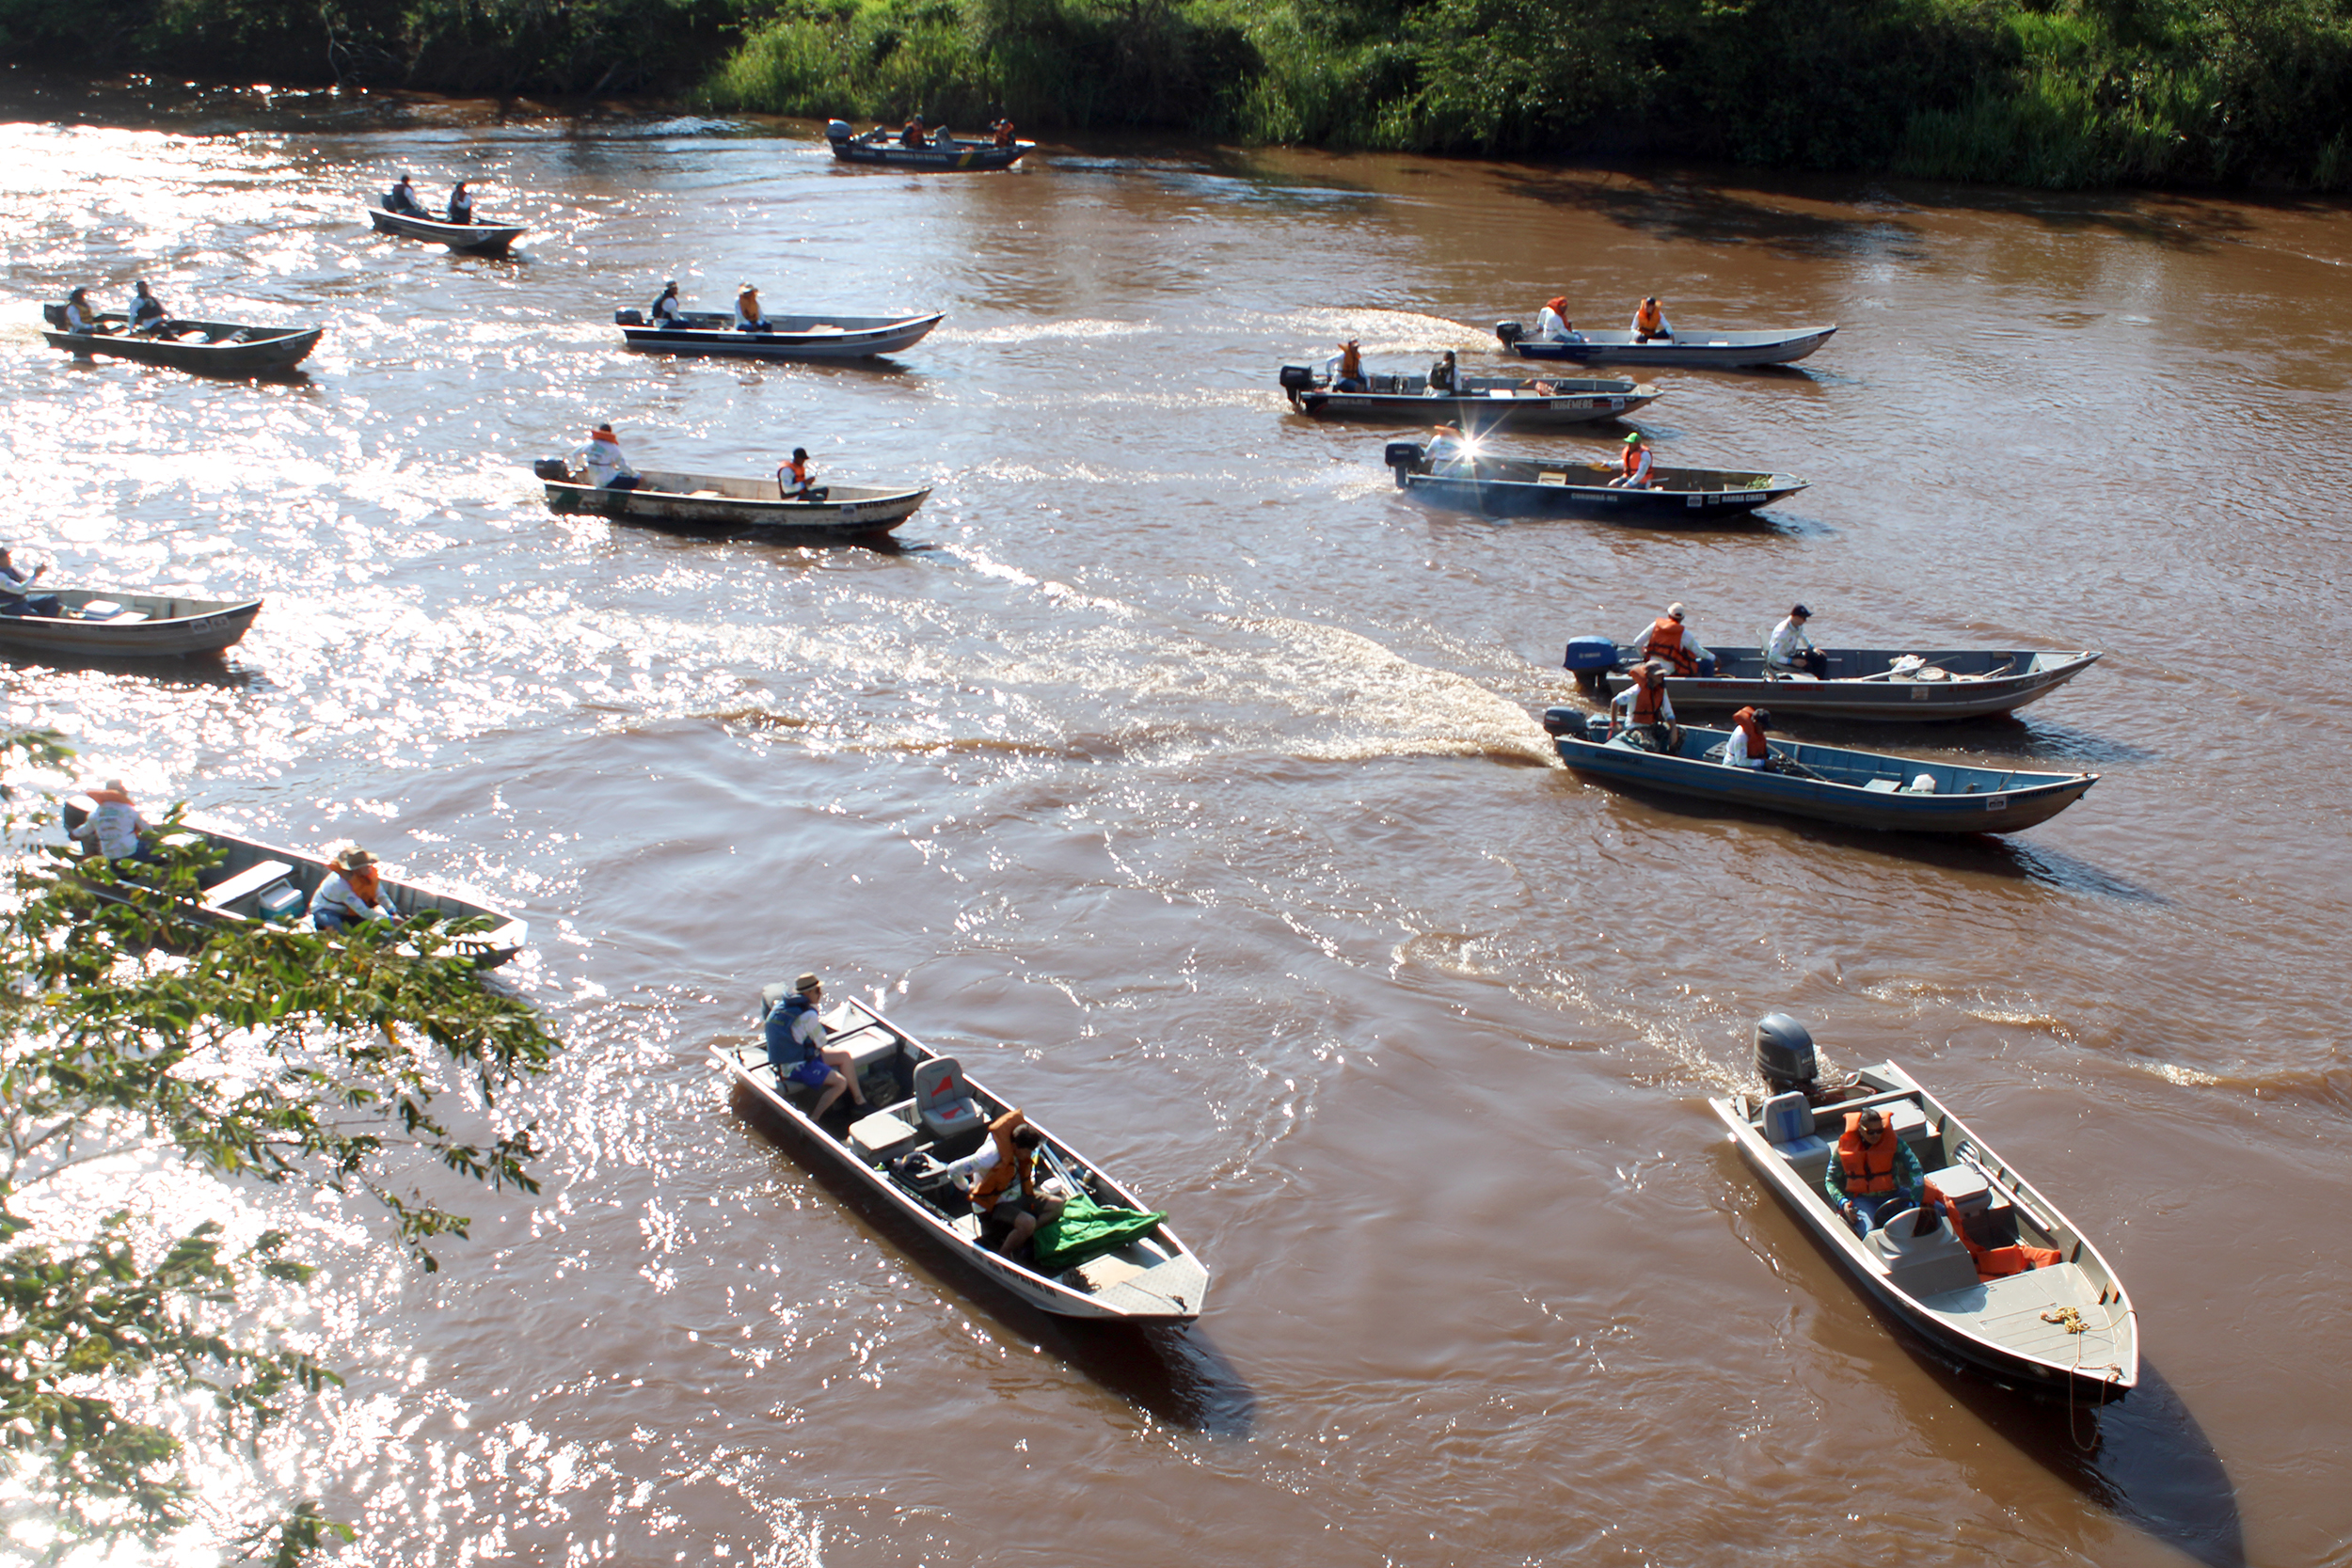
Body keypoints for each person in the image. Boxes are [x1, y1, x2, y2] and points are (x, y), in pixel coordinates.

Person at [942, 1106, 1060, 1256]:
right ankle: (1004, 1253)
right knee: (1028, 1222)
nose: (1030, 1155)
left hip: (1018, 1194)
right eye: (1027, 1152)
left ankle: (1023, 1235)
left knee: (1057, 1205)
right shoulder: (987, 1158)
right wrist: (966, 1188)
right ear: (1015, 1146)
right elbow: (953, 1169)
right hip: (995, 1204)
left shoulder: (1026, 1150)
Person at [764, 973, 867, 1122]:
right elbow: (821, 1042)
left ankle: (859, 1102)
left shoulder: (783, 1007)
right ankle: (814, 1118)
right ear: (808, 992)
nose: (821, 994)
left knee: (844, 1056)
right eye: (817, 991)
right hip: (795, 1067)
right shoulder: (807, 1015)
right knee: (840, 1083)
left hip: (788, 1060)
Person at [1825, 1106, 1928, 1239]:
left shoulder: (1895, 1143)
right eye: (1871, 1132)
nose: (1876, 1136)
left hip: (1895, 1194)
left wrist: (1916, 1201)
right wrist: (1843, 1202)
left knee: (1935, 1209)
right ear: (1861, 1129)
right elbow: (1830, 1181)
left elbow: (1915, 1169)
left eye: (1879, 1131)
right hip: (1862, 1199)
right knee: (1870, 1232)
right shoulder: (1843, 1149)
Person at [310, 844, 393, 931]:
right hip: (326, 910)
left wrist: (392, 912)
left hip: (349, 911)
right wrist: (388, 920)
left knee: (370, 925)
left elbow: (380, 895)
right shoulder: (339, 884)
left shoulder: (368, 875)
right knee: (338, 927)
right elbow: (362, 911)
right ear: (356, 870)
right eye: (366, 866)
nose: (369, 868)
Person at [71, 779, 151, 862]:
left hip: (109, 855)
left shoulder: (95, 813)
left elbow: (84, 830)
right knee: (149, 844)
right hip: (131, 852)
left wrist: (73, 833)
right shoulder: (130, 810)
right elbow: (147, 829)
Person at [1610, 661, 1679, 752]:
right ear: (1649, 675)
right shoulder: (1636, 690)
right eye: (1657, 674)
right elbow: (1615, 701)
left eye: (1662, 674)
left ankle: (1670, 757)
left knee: (1681, 733)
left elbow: (1669, 713)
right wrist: (1614, 723)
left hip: (1652, 726)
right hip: (1635, 728)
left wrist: (1673, 730)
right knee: (1651, 745)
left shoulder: (1661, 690)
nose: (1661, 676)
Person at [1635, 602, 1714, 676]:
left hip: (1652, 668)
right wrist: (1714, 658)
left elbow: (1637, 642)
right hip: (1671, 671)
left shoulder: (1655, 626)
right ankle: (1707, 685)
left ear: (1669, 615)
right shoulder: (1683, 634)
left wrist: (1643, 654)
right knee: (1708, 664)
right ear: (1682, 618)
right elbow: (1698, 651)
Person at [1767, 603, 1828, 678]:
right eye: (1804, 618)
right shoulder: (1782, 633)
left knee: (1820, 658)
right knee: (1807, 666)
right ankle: (1808, 682)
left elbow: (1802, 637)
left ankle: (1819, 682)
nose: (1805, 621)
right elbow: (1773, 656)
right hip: (1779, 663)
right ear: (1796, 617)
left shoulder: (1798, 626)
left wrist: (1812, 648)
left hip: (1791, 655)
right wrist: (1792, 661)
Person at [574, 423, 639, 489]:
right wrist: (637, 475)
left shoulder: (589, 444)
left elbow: (575, 453)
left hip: (594, 480)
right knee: (635, 480)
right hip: (608, 482)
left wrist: (583, 465)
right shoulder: (612, 447)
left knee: (620, 473)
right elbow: (623, 466)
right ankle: (616, 495)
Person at [0, 546, 59, 617]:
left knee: (51, 599)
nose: (9, 558)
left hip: (22, 600)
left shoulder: (11, 569)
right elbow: (19, 589)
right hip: (9, 606)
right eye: (6, 557)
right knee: (35, 617)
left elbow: (26, 580)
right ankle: (43, 622)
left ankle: (49, 621)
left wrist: (38, 573)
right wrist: (35, 575)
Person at [1721, 705, 1774, 769]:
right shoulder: (1741, 736)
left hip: (1751, 762)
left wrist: (1770, 759)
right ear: (1755, 722)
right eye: (1763, 727)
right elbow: (1740, 762)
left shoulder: (1756, 732)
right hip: (1734, 765)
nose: (1764, 731)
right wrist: (1764, 762)